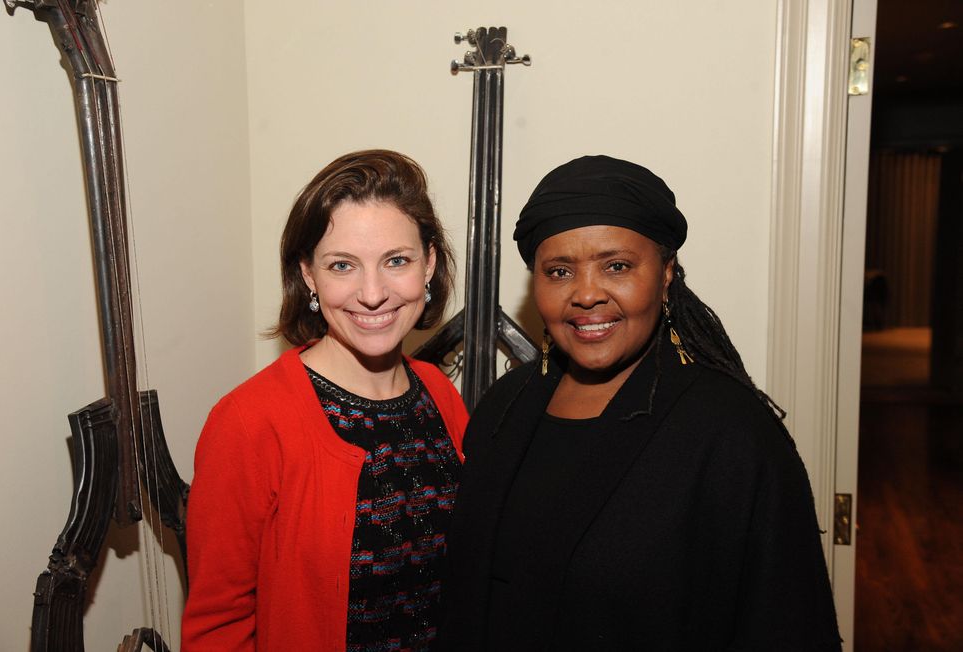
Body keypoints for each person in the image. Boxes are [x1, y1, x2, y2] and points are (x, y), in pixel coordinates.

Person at [441, 155, 842, 650]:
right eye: (560, 271)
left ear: (667, 272)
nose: (587, 295)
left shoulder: (730, 433)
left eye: (617, 266)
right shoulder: (506, 405)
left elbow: (788, 625)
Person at [182, 150, 469, 651]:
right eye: (343, 266)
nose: (373, 293)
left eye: (396, 261)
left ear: (429, 264)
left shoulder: (440, 395)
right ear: (309, 276)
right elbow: (217, 625)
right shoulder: (249, 422)